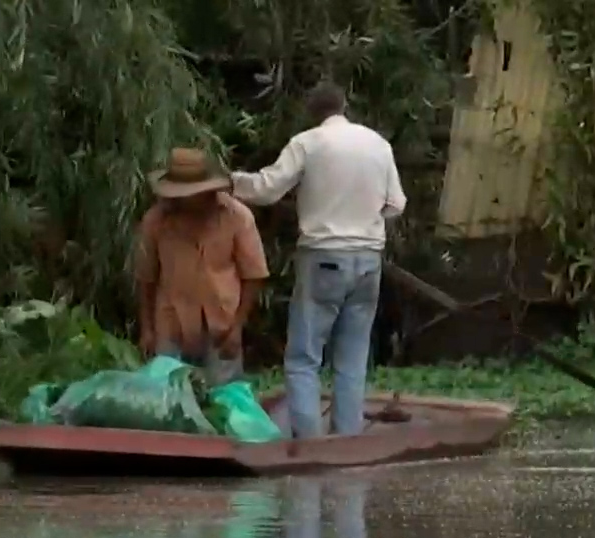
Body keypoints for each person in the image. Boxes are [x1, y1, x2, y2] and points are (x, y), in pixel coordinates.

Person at [230, 83, 406, 438]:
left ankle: (308, 443)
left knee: (304, 358)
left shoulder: (308, 143)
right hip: (368, 259)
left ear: (313, 112)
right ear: (344, 106)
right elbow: (396, 205)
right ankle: (346, 439)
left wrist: (230, 182)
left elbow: (267, 189)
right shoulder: (378, 145)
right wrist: (363, 218)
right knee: (352, 357)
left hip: (323, 256)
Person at [135, 148, 269, 386]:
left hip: (221, 322)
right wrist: (147, 329)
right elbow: (146, 276)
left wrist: (238, 326)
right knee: (166, 396)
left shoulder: (236, 216)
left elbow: (254, 274)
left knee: (223, 399)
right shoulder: (156, 220)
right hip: (171, 321)